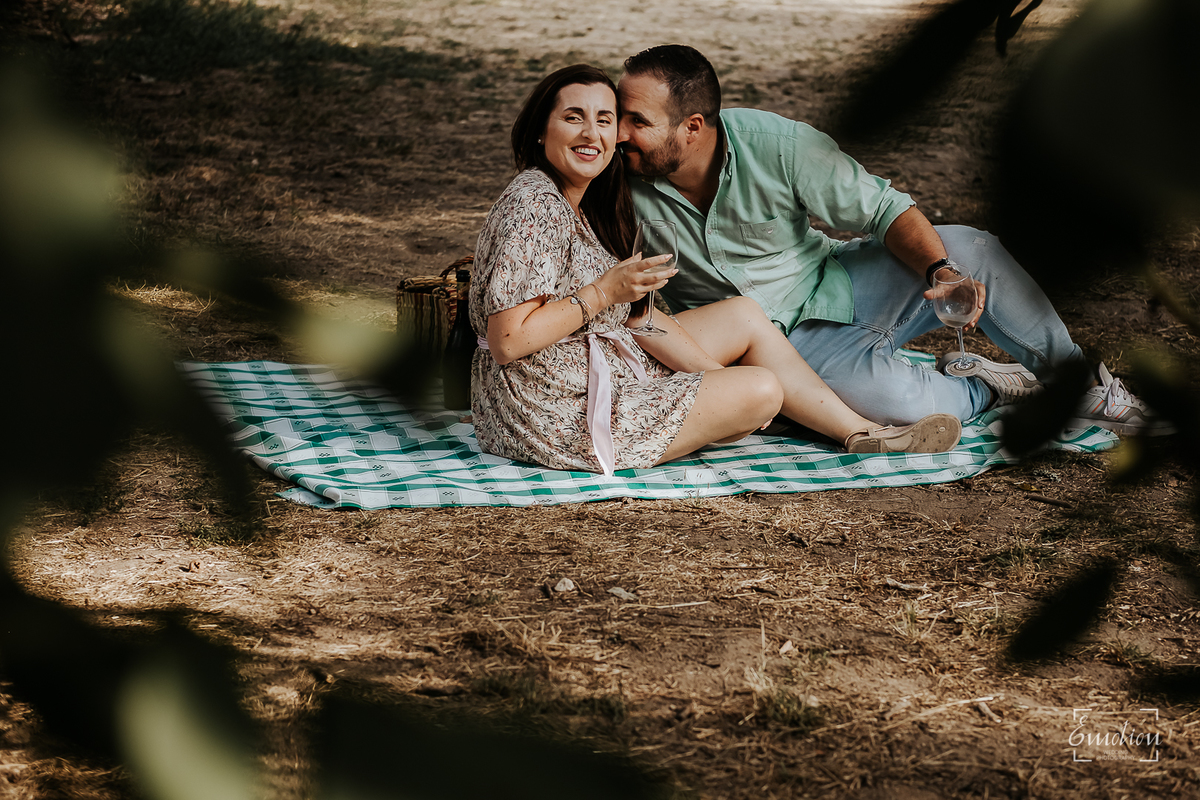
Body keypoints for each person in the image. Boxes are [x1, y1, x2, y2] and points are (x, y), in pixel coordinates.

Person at [615, 44, 1168, 436]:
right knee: (904, 410)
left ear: (691, 126)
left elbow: (885, 209)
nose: (617, 134)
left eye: (635, 121)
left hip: (839, 282)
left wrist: (940, 273)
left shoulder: (777, 144)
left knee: (970, 249)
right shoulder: (615, 185)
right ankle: (991, 387)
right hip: (783, 349)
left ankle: (1078, 381)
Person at [468, 64, 962, 476]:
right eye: (573, 118)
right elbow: (509, 341)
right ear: (540, 128)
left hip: (588, 360)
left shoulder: (580, 199)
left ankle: (864, 434)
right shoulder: (533, 204)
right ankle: (827, 422)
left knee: (746, 316)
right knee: (762, 388)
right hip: (548, 407)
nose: (595, 134)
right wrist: (601, 293)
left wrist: (709, 376)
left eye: (605, 119)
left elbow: (639, 320)